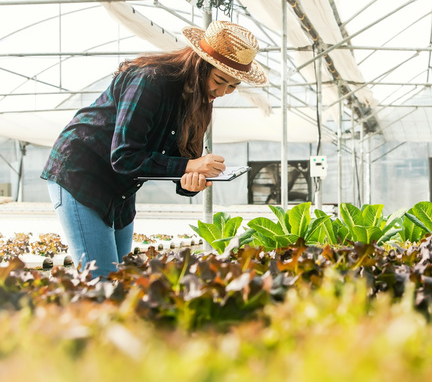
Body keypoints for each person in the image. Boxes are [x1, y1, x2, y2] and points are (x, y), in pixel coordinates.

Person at [41, 21, 268, 278]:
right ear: (199, 65)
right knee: (101, 282)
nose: (223, 92)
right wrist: (188, 166)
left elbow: (182, 161)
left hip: (122, 189)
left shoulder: (199, 101)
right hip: (81, 174)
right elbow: (124, 156)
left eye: (233, 86)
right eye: (220, 81)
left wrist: (191, 181)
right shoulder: (150, 80)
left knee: (121, 278)